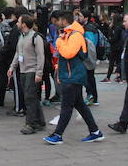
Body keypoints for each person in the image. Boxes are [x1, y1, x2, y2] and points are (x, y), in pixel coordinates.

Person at [43, 11, 104, 145]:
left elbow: (69, 53)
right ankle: (95, 132)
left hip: (73, 76)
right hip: (71, 75)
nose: (55, 24)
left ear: (63, 21)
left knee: (67, 106)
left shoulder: (75, 35)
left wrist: (59, 42)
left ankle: (58, 134)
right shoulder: (69, 34)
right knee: (80, 105)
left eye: (56, 21)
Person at [8, 14, 46, 134]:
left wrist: (39, 73)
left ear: (24, 24)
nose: (17, 24)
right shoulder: (22, 37)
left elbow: (41, 56)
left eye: (19, 22)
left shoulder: (35, 37)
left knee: (29, 99)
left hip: (32, 71)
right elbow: (18, 53)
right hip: (23, 71)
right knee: (31, 98)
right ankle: (40, 121)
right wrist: (12, 67)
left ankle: (31, 124)